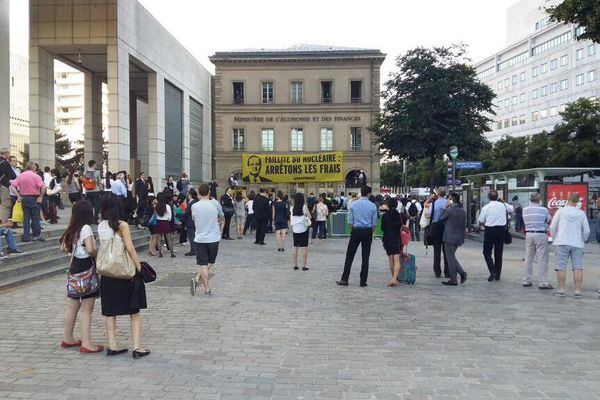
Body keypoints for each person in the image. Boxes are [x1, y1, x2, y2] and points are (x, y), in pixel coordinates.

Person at [97, 198, 149, 359]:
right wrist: (139, 268)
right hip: (124, 273)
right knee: (134, 311)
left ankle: (112, 345)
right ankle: (137, 347)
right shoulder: (122, 225)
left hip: (107, 273)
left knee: (110, 312)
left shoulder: (101, 225)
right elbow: (130, 249)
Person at [59, 200, 103, 353]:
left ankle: (67, 338)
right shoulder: (86, 229)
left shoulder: (72, 228)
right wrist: (99, 255)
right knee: (86, 309)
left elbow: (63, 248)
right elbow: (90, 249)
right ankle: (87, 343)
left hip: (74, 267)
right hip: (86, 268)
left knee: (72, 306)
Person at [336, 185, 378, 287]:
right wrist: (370, 232)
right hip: (367, 231)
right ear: (369, 194)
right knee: (365, 258)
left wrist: (353, 230)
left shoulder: (353, 205)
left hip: (356, 231)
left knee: (349, 256)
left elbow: (350, 221)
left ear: (361, 192)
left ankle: (344, 279)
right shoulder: (373, 206)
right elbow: (374, 224)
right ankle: (363, 281)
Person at [550, 192, 590, 298]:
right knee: (578, 267)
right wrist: (583, 240)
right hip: (577, 243)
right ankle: (577, 291)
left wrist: (555, 238)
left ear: (568, 199)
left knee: (561, 267)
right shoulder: (581, 213)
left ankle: (562, 290)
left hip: (562, 241)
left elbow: (552, 227)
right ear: (578, 201)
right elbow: (586, 230)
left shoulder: (560, 211)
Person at [190, 183, 224, 296]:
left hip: (200, 238)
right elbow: (221, 216)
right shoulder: (215, 204)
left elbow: (194, 218)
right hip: (214, 238)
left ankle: (205, 287)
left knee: (203, 264)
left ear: (199, 193)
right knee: (210, 262)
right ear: (209, 192)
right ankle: (199, 282)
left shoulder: (194, 206)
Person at [478, 190, 514, 282]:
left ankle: (492, 271)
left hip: (490, 230)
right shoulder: (503, 205)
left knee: (487, 252)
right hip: (501, 230)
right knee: (498, 253)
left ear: (488, 197)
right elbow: (511, 209)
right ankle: (498, 274)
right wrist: (503, 201)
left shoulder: (486, 207)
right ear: (497, 197)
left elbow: (481, 220)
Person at [522, 192, 552, 289]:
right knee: (542, 259)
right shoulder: (544, 210)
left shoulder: (525, 210)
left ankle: (527, 280)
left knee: (528, 258)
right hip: (540, 234)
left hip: (529, 234)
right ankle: (543, 282)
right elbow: (548, 220)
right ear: (539, 200)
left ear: (530, 199)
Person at [10, 161, 45, 242]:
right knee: (35, 217)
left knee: (26, 218)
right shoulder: (36, 176)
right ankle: (36, 235)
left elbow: (12, 186)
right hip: (34, 198)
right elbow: (43, 187)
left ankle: (26, 236)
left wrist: (18, 196)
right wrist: (41, 197)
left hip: (24, 198)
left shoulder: (20, 176)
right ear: (33, 167)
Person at [439, 193, 467, 286]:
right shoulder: (462, 211)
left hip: (449, 237)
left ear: (452, 200)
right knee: (451, 256)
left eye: (449, 198)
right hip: (458, 237)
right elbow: (464, 226)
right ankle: (461, 273)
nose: (447, 199)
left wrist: (444, 208)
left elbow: (441, 218)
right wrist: (462, 238)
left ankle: (455, 278)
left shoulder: (449, 210)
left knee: (450, 258)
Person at [426, 188, 449, 278]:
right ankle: (447, 271)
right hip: (446, 227)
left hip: (435, 227)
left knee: (437, 251)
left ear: (438, 193)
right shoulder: (448, 203)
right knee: (447, 251)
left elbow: (428, 215)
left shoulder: (434, 203)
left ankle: (437, 271)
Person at [381, 197, 402, 287]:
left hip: (387, 238)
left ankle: (393, 277)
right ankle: (394, 279)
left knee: (391, 260)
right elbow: (400, 226)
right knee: (397, 259)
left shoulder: (385, 215)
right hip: (396, 238)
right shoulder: (398, 215)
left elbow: (382, 228)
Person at [290, 193, 310, 271]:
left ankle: (295, 265)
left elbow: (291, 218)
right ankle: (304, 266)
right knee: (304, 248)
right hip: (303, 229)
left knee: (295, 247)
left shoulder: (292, 208)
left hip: (295, 229)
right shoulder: (304, 207)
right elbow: (310, 217)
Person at [154, 192, 175, 258]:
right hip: (165, 222)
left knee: (159, 239)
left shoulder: (155, 206)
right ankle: (172, 253)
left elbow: (155, 215)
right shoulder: (167, 206)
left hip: (158, 222)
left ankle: (160, 253)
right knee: (169, 239)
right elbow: (170, 217)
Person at [82, 160, 102, 224]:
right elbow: (99, 181)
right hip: (95, 190)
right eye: (95, 164)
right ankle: (95, 220)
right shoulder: (97, 172)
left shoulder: (85, 172)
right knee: (97, 206)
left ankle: (89, 219)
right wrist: (101, 187)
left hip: (88, 190)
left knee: (89, 205)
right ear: (93, 164)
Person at [0, 148, 16, 224]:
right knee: (5, 205)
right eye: (8, 154)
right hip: (3, 186)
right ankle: (4, 225)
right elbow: (13, 176)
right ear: (6, 154)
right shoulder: (5, 163)